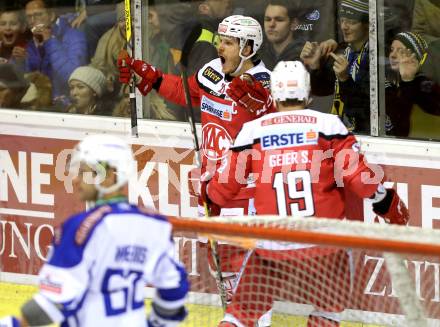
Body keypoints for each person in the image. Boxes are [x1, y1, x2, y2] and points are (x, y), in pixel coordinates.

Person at [202, 61, 409, 327]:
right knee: (326, 313)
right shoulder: (329, 125)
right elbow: (361, 179)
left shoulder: (253, 131)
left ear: (275, 93)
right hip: (323, 247)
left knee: (240, 315)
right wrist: (388, 204)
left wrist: (207, 192)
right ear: (308, 92)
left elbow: (221, 191)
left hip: (271, 248)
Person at [118, 14, 275, 325]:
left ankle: (254, 321)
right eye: (220, 40)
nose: (220, 47)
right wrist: (150, 75)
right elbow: (187, 92)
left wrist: (264, 105)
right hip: (212, 186)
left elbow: (278, 116)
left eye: (228, 43)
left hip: (248, 191)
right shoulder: (213, 72)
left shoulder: (265, 82)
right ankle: (237, 318)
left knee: (248, 270)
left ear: (247, 47)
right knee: (221, 265)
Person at [0, 134, 189, 327]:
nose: (76, 180)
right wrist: (156, 323)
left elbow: (51, 303)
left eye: (84, 172)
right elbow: (174, 287)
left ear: (109, 176)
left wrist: (13, 324)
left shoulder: (81, 228)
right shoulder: (156, 224)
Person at [300, 0, 370, 134]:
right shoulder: (344, 51)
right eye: (342, 20)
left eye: (351, 22)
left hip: (367, 135)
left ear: (367, 25)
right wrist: (315, 66)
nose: (344, 27)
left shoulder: (376, 57)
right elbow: (321, 90)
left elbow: (366, 108)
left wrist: (345, 79)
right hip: (342, 131)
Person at [24, 0, 88, 108]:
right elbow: (26, 81)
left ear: (51, 16)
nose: (33, 21)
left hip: (67, 105)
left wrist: (50, 41)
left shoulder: (74, 36)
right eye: (29, 17)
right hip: (39, 104)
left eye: (38, 14)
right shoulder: (31, 43)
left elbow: (73, 76)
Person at [385, 31, 440, 137]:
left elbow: (402, 129)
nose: (392, 55)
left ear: (415, 57)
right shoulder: (389, 81)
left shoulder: (424, 84)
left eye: (401, 51)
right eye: (392, 50)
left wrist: (408, 80)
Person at [258, 0, 305, 70]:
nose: (271, 24)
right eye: (267, 19)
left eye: (279, 20)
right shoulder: (258, 55)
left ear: (294, 24)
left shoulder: (305, 55)